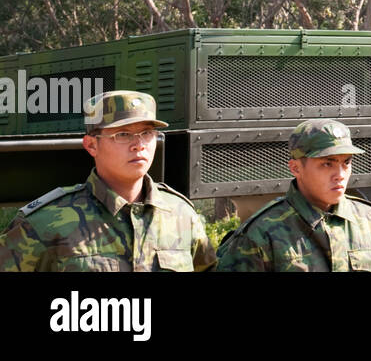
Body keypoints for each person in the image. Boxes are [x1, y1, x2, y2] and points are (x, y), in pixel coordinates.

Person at [0, 89, 215, 272]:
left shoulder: (181, 215)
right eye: (122, 134)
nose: (139, 144)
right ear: (91, 145)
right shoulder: (44, 223)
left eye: (147, 133)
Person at [214, 118, 371, 271]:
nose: (340, 175)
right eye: (327, 164)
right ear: (296, 168)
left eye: (346, 162)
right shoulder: (261, 234)